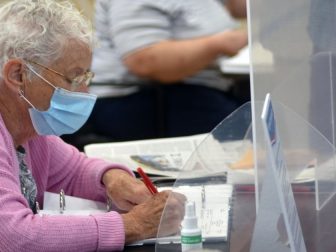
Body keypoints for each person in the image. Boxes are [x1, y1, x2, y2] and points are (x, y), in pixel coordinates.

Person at [0, 1, 185, 251]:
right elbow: (16, 237)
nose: (85, 92)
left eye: (86, 77)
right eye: (74, 78)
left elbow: (73, 171)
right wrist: (133, 225)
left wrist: (113, 179)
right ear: (18, 75)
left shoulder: (29, 128)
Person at [83, 0, 248, 145]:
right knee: (250, 133)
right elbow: (145, 61)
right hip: (145, 99)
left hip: (197, 88)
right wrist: (219, 44)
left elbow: (237, 6)